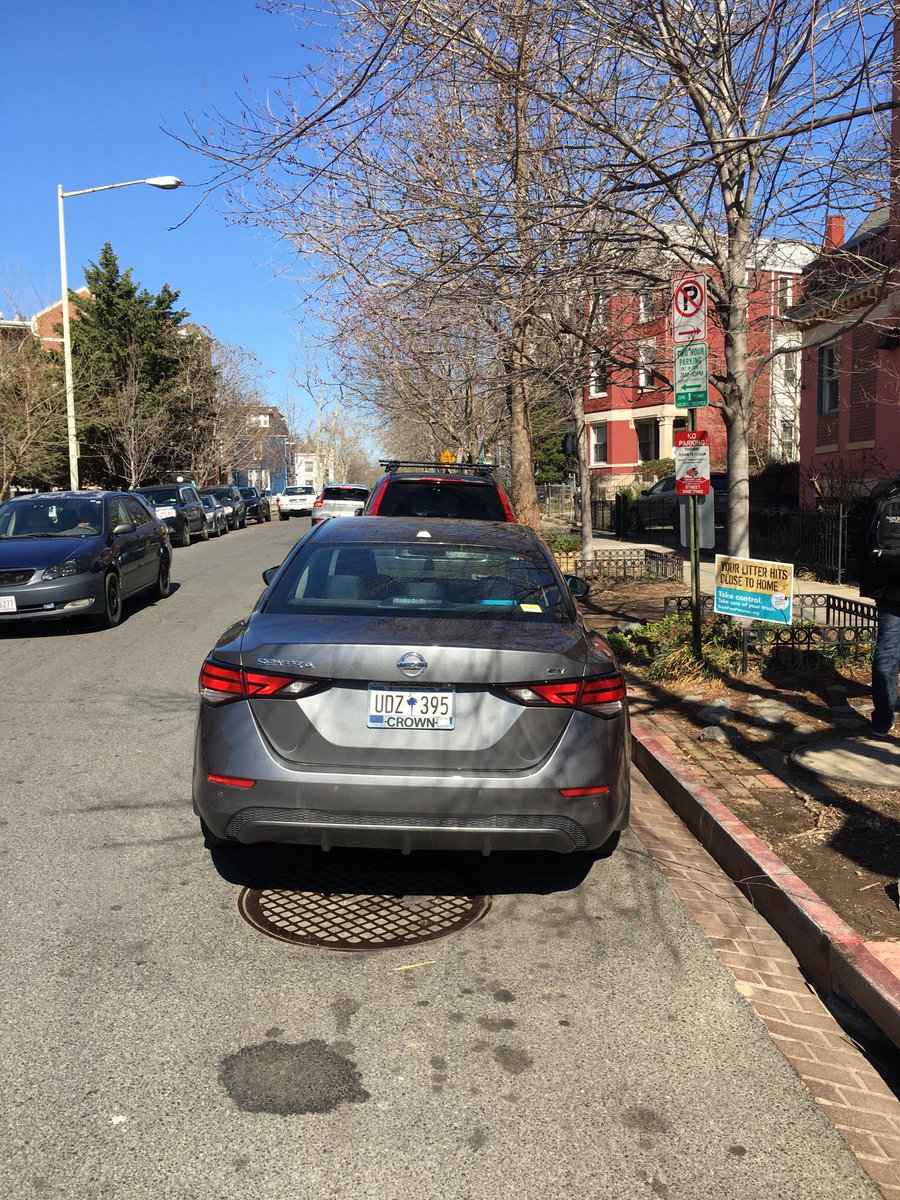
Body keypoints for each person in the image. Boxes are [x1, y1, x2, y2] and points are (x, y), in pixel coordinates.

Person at [855, 476, 900, 737]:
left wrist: (867, 581)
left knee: (887, 648)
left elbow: (862, 538)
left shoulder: (883, 491)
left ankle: (882, 719)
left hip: (887, 584)